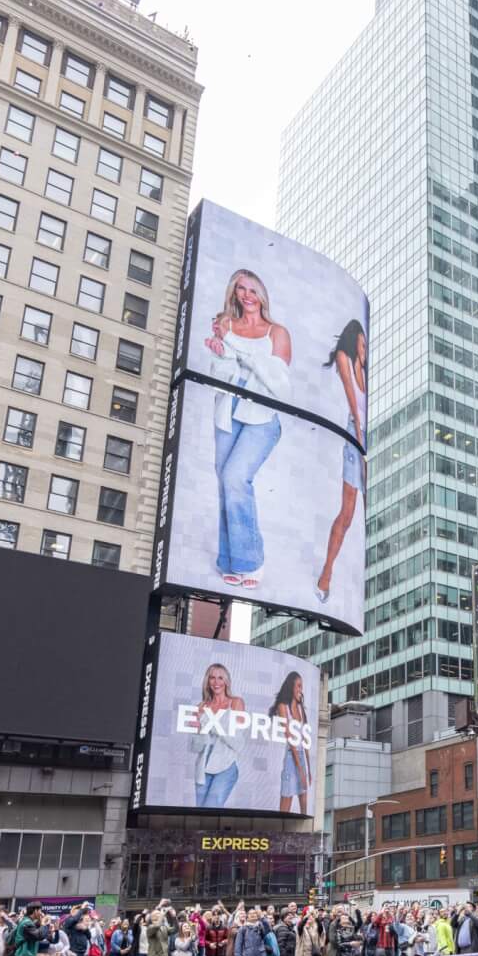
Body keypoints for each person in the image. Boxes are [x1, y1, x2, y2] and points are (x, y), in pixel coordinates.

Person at [203, 269, 290, 590]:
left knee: (236, 478)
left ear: (262, 294)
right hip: (227, 411)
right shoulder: (226, 325)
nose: (247, 294)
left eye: (253, 289)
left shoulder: (276, 333)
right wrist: (223, 354)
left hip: (262, 416)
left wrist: (241, 353)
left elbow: (280, 386)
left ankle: (250, 561)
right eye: (240, 288)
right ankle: (229, 561)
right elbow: (221, 374)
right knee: (225, 481)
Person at [315, 319, 366, 605]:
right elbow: (351, 399)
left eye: (366, 345)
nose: (364, 349)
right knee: (346, 514)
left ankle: (331, 575)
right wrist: (359, 442)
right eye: (362, 343)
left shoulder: (363, 366)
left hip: (365, 438)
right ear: (353, 339)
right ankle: (326, 573)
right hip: (354, 435)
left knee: (353, 516)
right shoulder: (345, 358)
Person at [193, 663, 247, 809]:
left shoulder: (235, 703)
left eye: (220, 678)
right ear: (207, 681)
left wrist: (208, 722)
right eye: (212, 678)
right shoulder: (202, 706)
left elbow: (238, 744)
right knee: (199, 815)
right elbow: (196, 747)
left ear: (226, 681)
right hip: (202, 770)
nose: (216, 682)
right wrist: (198, 730)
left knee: (210, 810)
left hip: (225, 768)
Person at [273, 672, 311, 814]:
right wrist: (300, 769)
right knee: (287, 797)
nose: (301, 690)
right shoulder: (283, 706)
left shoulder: (301, 708)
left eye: (302, 687)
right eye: (299, 686)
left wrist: (308, 768)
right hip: (291, 755)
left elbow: (305, 739)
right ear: (291, 687)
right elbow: (290, 738)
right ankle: (279, 832)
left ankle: (306, 833)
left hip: (301, 755)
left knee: (304, 798)